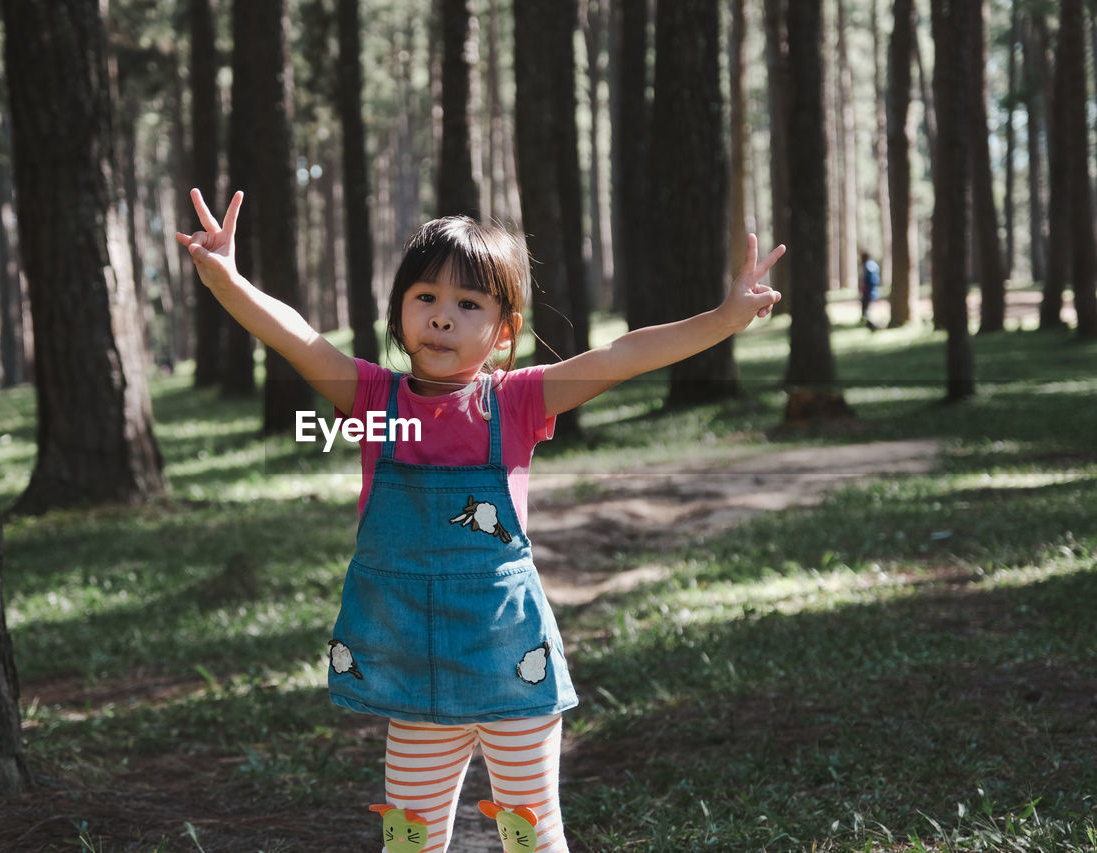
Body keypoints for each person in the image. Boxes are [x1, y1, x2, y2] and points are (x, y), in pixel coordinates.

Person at [177, 189, 784, 853]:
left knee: (529, 835)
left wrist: (723, 320)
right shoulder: (371, 399)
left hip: (509, 664)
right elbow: (294, 337)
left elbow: (623, 355)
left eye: (469, 304)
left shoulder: (519, 401)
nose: (443, 318)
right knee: (410, 840)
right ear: (399, 312)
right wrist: (227, 279)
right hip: (412, 668)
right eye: (426, 298)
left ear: (503, 330)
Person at [860, 251, 881, 330]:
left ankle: (872, 326)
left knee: (867, 309)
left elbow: (871, 280)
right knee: (865, 307)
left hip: (869, 291)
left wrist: (866, 288)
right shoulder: (872, 264)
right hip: (871, 291)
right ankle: (868, 323)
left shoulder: (869, 265)